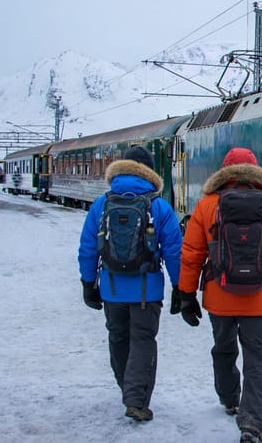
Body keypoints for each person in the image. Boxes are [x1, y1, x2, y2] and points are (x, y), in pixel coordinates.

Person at [178, 147, 262, 443]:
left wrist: (186, 294)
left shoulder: (207, 205)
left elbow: (192, 254)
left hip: (219, 294)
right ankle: (252, 423)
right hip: (259, 295)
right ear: (256, 171)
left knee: (223, 348)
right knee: (257, 357)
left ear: (224, 171)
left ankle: (230, 398)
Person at [77, 146, 183, 422]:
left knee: (118, 338)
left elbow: (88, 247)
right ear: (150, 172)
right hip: (147, 290)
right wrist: (181, 288)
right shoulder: (158, 205)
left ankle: (127, 389)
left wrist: (88, 283)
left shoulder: (102, 204)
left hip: (111, 288)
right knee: (143, 340)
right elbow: (174, 251)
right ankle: (136, 399)